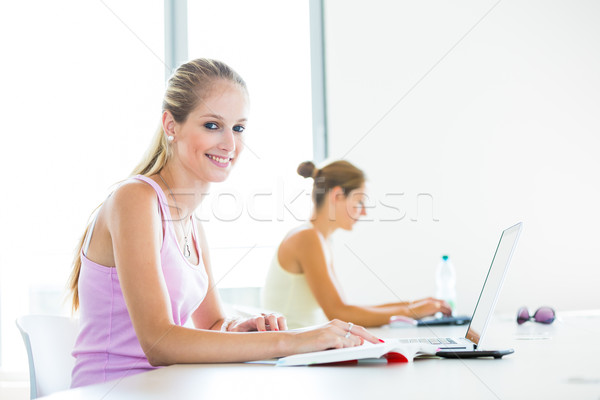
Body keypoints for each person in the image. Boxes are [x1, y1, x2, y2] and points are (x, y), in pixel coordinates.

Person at [67, 59, 379, 388]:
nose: (230, 144)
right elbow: (159, 343)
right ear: (171, 126)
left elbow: (212, 322)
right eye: (212, 125)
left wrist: (238, 327)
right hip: (113, 390)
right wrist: (294, 340)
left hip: (166, 388)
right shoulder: (135, 199)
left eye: (238, 128)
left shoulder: (191, 222)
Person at [262, 160, 452, 329]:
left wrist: (412, 305)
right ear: (337, 195)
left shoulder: (319, 239)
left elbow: (345, 308)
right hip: (291, 358)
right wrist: (411, 310)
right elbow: (340, 314)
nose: (363, 213)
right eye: (359, 202)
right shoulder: (307, 238)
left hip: (301, 350)